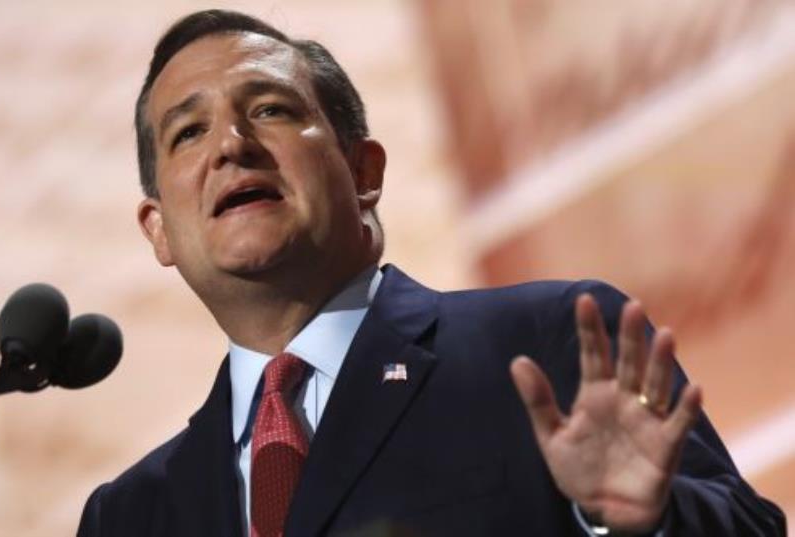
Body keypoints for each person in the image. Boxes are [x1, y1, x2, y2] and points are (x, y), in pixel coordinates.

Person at [77, 9, 786, 537]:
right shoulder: (131, 514)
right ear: (160, 229)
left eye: (270, 109)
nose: (233, 145)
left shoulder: (545, 343)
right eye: (189, 132)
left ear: (364, 171)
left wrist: (643, 520)